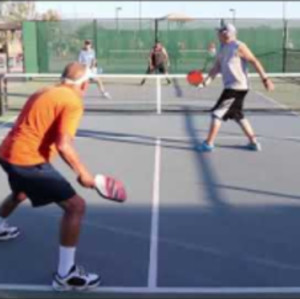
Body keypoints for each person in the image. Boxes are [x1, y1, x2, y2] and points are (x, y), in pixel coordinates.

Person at [0, 62, 101, 291]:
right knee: (76, 207)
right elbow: (64, 144)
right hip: (27, 160)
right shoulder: (73, 101)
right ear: (84, 84)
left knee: (21, 192)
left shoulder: (44, 90)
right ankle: (66, 275)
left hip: (7, 152)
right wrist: (84, 174)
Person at [197, 23, 274, 152]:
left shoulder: (239, 46)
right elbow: (216, 68)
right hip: (232, 87)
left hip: (236, 87)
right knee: (238, 115)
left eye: (220, 31)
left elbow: (254, 60)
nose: (217, 34)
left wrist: (265, 79)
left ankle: (208, 143)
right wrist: (204, 82)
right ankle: (253, 142)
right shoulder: (222, 48)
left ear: (226, 33)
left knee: (217, 114)